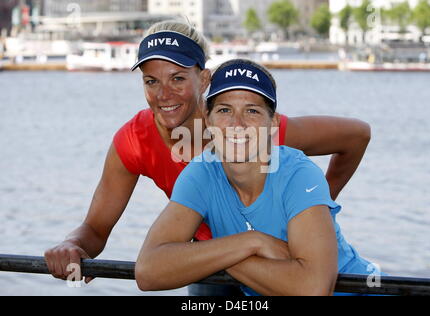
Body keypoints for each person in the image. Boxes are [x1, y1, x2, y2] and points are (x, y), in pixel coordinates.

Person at [44, 21, 371, 295]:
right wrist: (72, 245)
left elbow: (356, 136)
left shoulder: (255, 131)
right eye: (151, 81)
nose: (164, 94)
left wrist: (315, 204)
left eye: (177, 78)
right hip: (210, 257)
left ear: (203, 79)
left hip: (279, 253)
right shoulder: (135, 141)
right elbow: (98, 228)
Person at [135, 59, 382, 296]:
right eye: (224, 110)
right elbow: (147, 271)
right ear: (208, 119)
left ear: (272, 123)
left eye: (252, 111)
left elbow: (313, 289)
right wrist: (252, 242)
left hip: (359, 291)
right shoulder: (201, 174)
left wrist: (218, 257)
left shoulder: (298, 173)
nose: (237, 124)